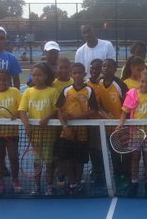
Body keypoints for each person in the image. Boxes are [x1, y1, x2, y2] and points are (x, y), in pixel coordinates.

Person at [56, 62, 99, 195]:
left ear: (84, 74)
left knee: (79, 159)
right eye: (74, 73)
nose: (77, 75)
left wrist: (77, 117)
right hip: (67, 129)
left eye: (80, 73)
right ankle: (72, 180)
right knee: (67, 157)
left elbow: (94, 111)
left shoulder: (89, 91)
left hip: (83, 129)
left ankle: (78, 181)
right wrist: (65, 126)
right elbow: (58, 110)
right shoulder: (66, 90)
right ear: (71, 74)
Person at [18, 62, 60, 196]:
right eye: (34, 75)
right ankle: (36, 185)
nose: (36, 77)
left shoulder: (52, 91)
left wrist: (47, 118)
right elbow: (22, 111)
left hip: (49, 134)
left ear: (46, 76)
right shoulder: (28, 92)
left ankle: (49, 185)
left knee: (49, 161)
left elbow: (56, 109)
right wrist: (26, 125)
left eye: (39, 75)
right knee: (37, 161)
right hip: (35, 135)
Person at [95, 58, 130, 188]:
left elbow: (127, 105)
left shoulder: (120, 85)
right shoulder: (98, 83)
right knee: (113, 152)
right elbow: (96, 103)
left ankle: (126, 175)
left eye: (109, 66)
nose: (106, 68)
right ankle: (117, 175)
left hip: (122, 125)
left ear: (115, 69)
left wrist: (121, 120)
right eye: (104, 66)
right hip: (106, 127)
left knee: (125, 152)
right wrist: (105, 114)